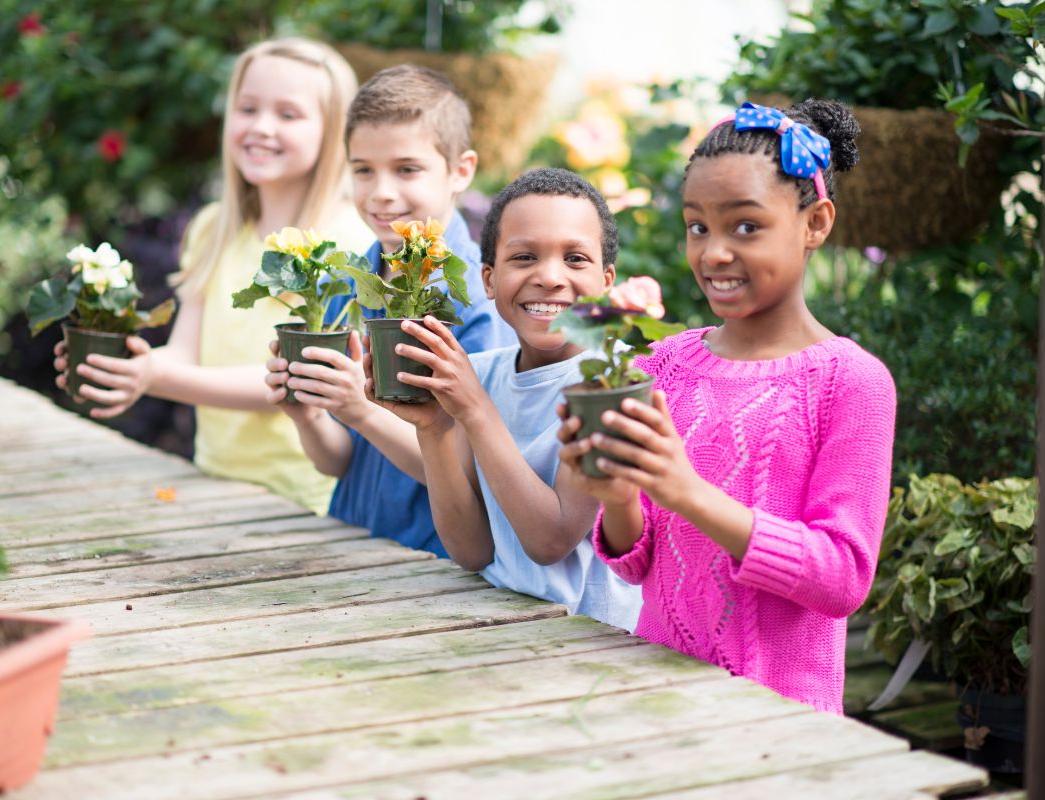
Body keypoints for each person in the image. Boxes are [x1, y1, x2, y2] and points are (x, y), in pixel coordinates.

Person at [558, 99, 896, 713]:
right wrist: (616, 493)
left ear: (815, 223)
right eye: (697, 226)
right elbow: (639, 567)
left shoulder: (852, 382)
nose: (713, 253)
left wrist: (686, 491)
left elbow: (843, 576)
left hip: (779, 716)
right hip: (658, 695)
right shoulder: (659, 366)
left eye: (745, 226)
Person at [54, 38, 370, 515]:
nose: (261, 127)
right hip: (213, 484)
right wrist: (126, 367)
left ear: (332, 134)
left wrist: (153, 377)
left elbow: (295, 383)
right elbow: (186, 352)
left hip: (308, 503)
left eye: (289, 115)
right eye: (248, 108)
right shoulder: (213, 228)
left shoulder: (348, 241)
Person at [374, 168, 642, 631]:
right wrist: (434, 428)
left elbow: (551, 540)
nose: (550, 277)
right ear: (489, 280)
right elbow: (472, 549)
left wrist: (475, 411)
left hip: (596, 641)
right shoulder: (481, 375)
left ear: (606, 281)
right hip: (503, 625)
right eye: (524, 257)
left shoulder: (614, 383)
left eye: (575, 258)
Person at [264, 65, 513, 556]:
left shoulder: (478, 302)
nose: (380, 191)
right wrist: (307, 415)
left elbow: (470, 472)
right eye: (362, 169)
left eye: (406, 169)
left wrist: (359, 409)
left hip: (432, 557)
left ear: (460, 171)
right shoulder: (350, 281)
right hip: (351, 542)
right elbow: (339, 461)